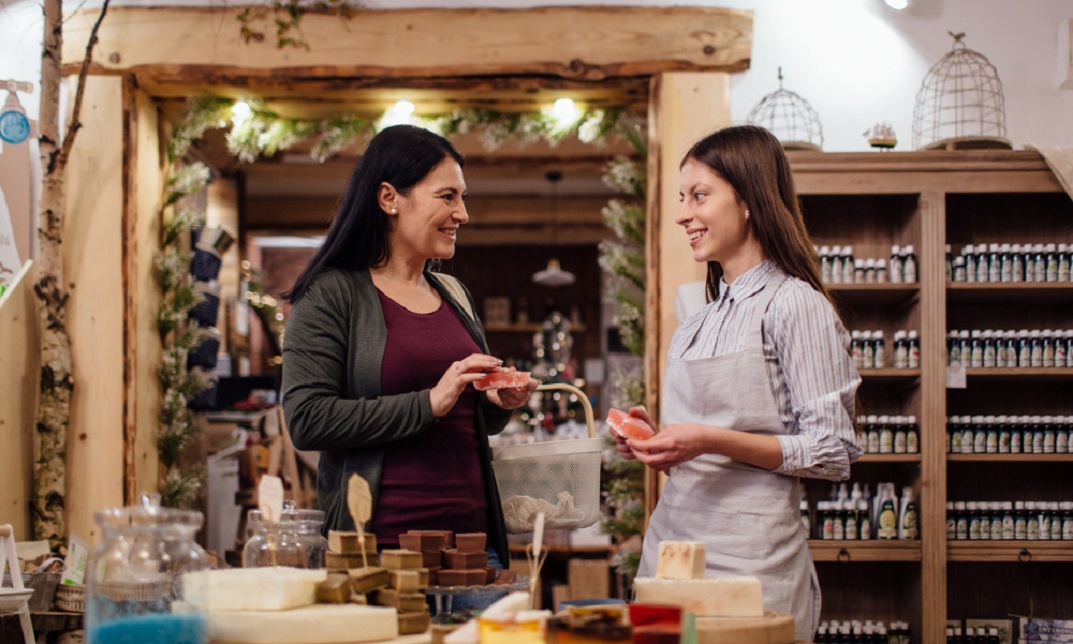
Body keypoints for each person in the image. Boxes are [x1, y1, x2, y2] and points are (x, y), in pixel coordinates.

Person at [611, 125, 861, 640]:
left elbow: (833, 450)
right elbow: (706, 440)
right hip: (669, 556)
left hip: (752, 566)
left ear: (748, 200)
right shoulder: (697, 320)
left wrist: (707, 439)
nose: (683, 214)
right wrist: (659, 441)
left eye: (699, 195)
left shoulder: (795, 304)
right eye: (682, 198)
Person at [281, 125, 537, 571]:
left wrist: (496, 403)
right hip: (380, 554)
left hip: (476, 550)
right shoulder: (331, 294)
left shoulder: (454, 292)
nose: (463, 213)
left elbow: (468, 422)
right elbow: (307, 420)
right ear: (389, 198)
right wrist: (427, 404)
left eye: (463, 198)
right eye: (447, 196)